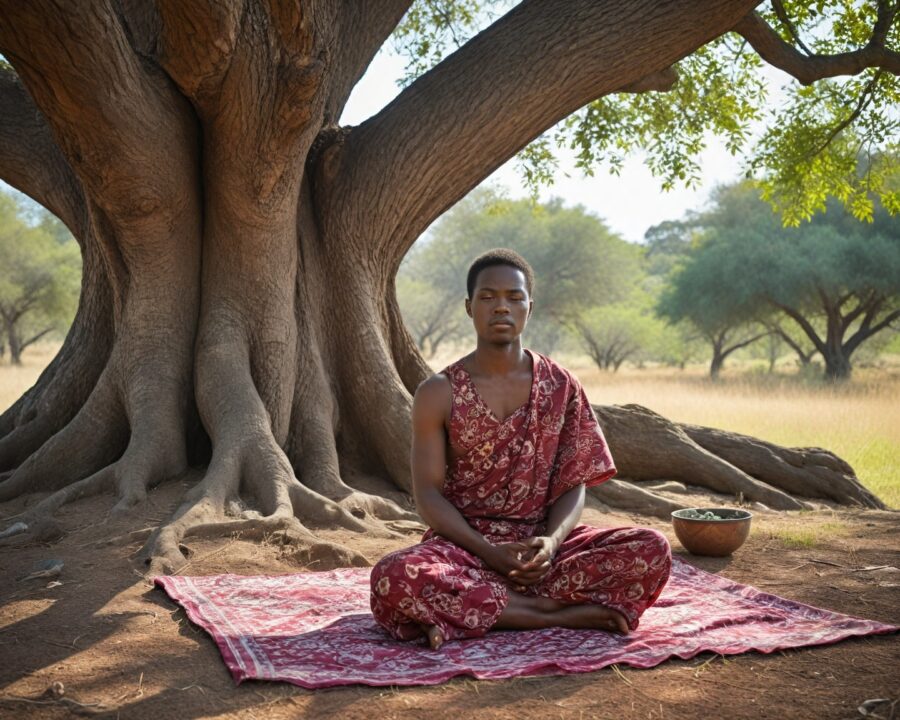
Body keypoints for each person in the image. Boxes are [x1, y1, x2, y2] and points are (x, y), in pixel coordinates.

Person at [371, 248, 671, 650]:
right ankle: (552, 614)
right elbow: (427, 495)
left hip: (540, 553)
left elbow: (573, 484)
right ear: (469, 307)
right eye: (488, 297)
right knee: (393, 576)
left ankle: (483, 612)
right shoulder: (438, 392)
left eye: (514, 297)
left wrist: (552, 543)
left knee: (651, 548)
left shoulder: (561, 385)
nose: (501, 307)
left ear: (530, 307)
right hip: (465, 551)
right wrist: (490, 553)